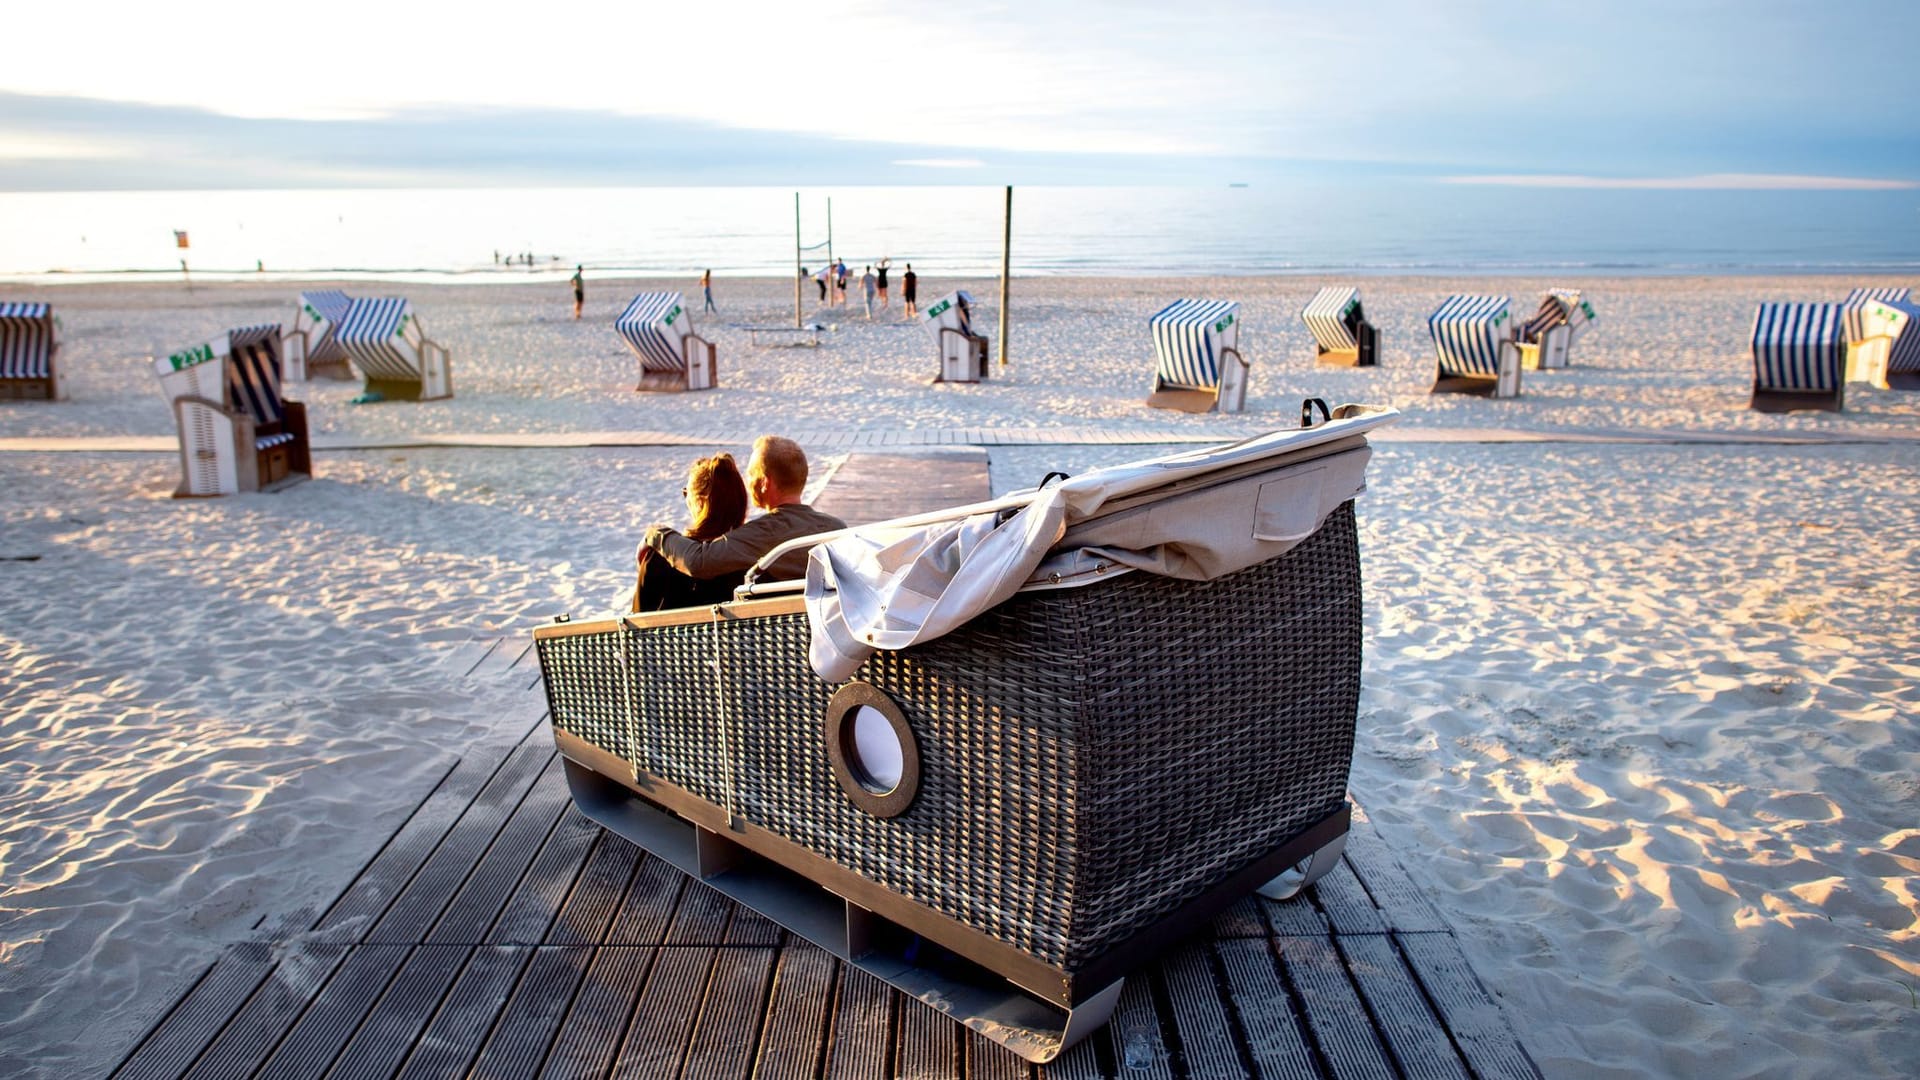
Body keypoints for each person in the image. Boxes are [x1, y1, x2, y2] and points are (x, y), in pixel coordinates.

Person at [642, 435, 846, 584]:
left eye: (750, 475)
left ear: (765, 483)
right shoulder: (838, 528)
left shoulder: (761, 534)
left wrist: (656, 533)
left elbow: (698, 561)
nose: (748, 482)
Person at [632, 453, 750, 611]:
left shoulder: (660, 558)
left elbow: (635, 626)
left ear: (700, 502)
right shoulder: (752, 556)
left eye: (686, 494)